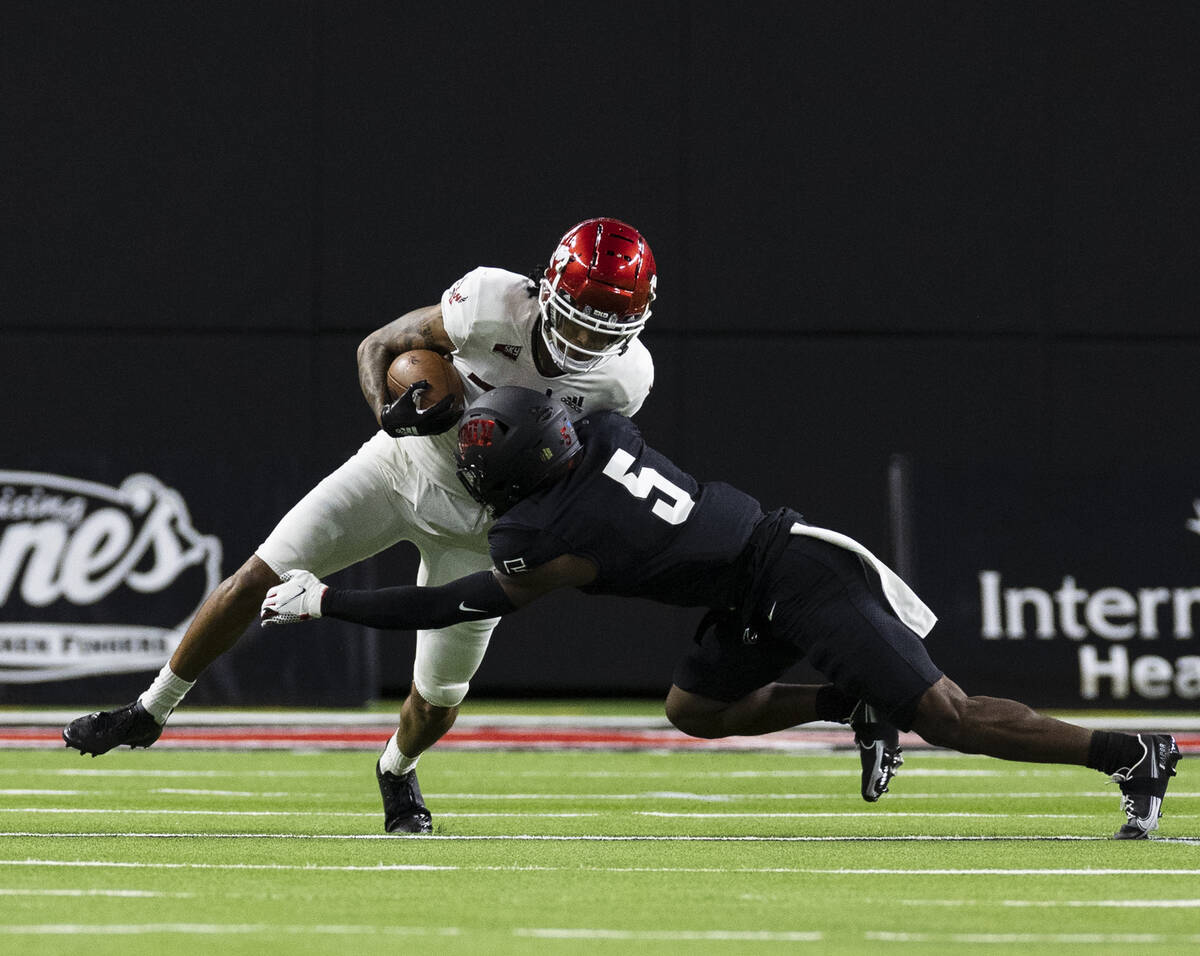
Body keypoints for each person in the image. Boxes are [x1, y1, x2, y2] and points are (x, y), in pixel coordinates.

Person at [261, 386, 1183, 840]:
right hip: (754, 582)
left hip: (802, 577)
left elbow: (455, 599)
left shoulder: (546, 530)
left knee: (948, 716)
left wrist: (331, 599)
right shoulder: (600, 435)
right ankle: (846, 702)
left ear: (521, 479)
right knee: (694, 710)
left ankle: (1130, 754)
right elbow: (516, 425)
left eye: (483, 471)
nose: (471, 480)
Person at [63, 218, 661, 835]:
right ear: (548, 290)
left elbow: (578, 472)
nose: (586, 339)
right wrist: (391, 414)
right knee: (253, 579)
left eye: (606, 328)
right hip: (400, 467)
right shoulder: (489, 304)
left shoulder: (625, 379)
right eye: (577, 318)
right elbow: (376, 346)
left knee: (437, 702)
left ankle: (396, 768)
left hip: (486, 527)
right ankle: (149, 710)